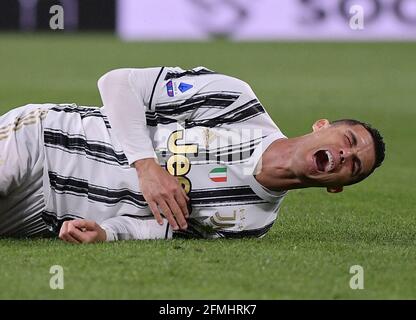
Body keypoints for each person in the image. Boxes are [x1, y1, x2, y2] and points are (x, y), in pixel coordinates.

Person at [0, 66, 385, 243]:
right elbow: (118, 83)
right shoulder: (234, 100)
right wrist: (147, 166)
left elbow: (158, 229)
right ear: (322, 126)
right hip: (44, 142)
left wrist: (107, 234)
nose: (342, 155)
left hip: (45, 216)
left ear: (337, 186)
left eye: (353, 166)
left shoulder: (252, 223)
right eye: (347, 139)